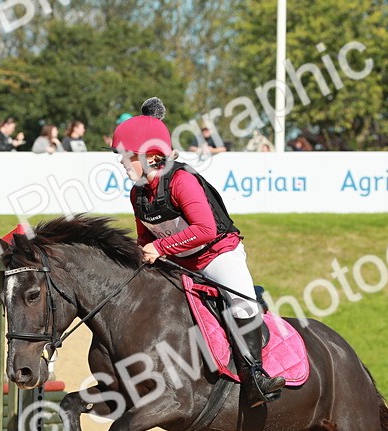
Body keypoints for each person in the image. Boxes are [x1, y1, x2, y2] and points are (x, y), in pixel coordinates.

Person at [111, 97, 286, 405]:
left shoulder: (182, 181)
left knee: (242, 304)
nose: (122, 162)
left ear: (151, 156)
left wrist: (160, 247)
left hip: (217, 255)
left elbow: (205, 230)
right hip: (180, 262)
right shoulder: (138, 193)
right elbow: (143, 239)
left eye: (127, 156)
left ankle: (255, 377)